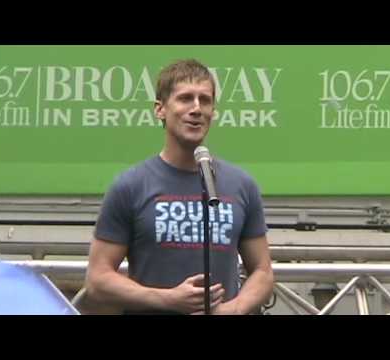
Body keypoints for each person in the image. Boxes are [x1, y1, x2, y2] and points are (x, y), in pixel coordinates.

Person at [85, 59, 274, 315]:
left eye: (205, 100)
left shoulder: (241, 184)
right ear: (160, 109)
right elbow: (97, 279)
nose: (196, 108)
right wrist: (167, 299)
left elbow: (262, 271)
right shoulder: (130, 185)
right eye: (185, 98)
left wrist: (235, 309)